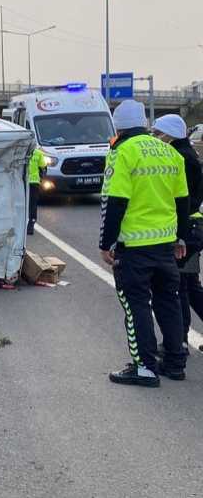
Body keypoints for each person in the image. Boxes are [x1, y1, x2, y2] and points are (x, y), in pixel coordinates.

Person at [99, 100, 189, 387]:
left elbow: (115, 202)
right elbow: (182, 201)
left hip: (135, 247)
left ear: (118, 126)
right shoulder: (169, 151)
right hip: (165, 244)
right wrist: (181, 237)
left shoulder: (122, 152)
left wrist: (106, 242)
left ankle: (145, 368)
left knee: (136, 305)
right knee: (168, 303)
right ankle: (175, 363)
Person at [152, 114, 203, 349]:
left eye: (157, 133)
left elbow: (184, 199)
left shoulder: (180, 157)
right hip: (193, 228)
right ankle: (179, 339)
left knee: (182, 287)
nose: (155, 138)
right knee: (189, 286)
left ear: (169, 134)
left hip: (189, 230)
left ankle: (179, 340)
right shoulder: (187, 154)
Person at [27, 147, 48, 235]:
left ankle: (25, 224)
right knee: (32, 204)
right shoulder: (38, 153)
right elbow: (43, 166)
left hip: (22, 183)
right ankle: (31, 224)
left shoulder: (20, 151)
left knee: (23, 204)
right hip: (34, 182)